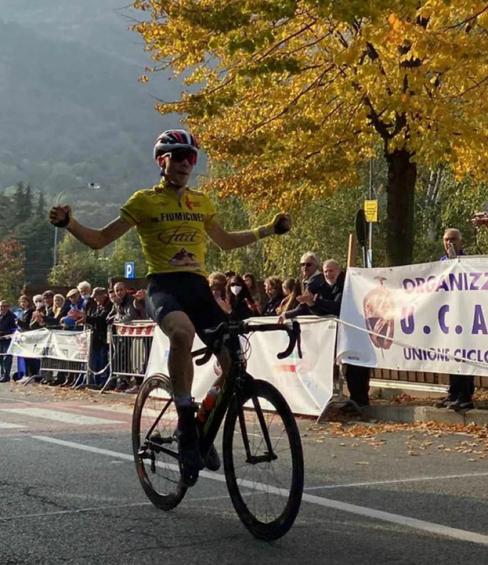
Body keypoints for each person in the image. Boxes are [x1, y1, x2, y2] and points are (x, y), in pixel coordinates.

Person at [49, 127, 291, 486]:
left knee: (234, 364)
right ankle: (185, 419)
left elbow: (225, 241)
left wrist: (268, 230)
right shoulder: (144, 201)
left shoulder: (201, 202)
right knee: (182, 333)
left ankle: (201, 422)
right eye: (179, 157)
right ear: (162, 161)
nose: (186, 164)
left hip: (198, 289)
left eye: (191, 157)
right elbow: (100, 240)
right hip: (164, 287)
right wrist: (69, 223)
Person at [435, 228, 474, 411]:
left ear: (460, 241)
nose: (449, 243)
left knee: (465, 357)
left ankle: (465, 396)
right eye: (446, 239)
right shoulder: (441, 263)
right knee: (452, 356)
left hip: (465, 318)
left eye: (453, 239)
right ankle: (453, 393)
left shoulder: (468, 262)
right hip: (448, 318)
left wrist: (455, 262)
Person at [0, 301, 17, 383]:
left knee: (7, 358)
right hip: (0, 340)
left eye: (5, 306)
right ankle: (2, 374)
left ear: (8, 307)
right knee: (1, 358)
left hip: (8, 340)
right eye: (1, 306)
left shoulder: (12, 316)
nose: (2, 308)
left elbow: (15, 329)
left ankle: (6, 375)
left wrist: (3, 332)